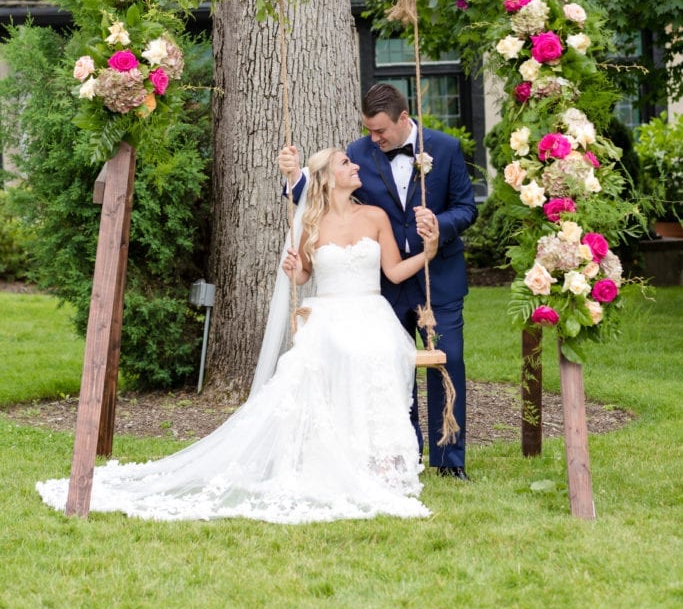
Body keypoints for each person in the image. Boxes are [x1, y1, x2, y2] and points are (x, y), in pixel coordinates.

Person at [37, 148, 437, 524]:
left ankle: (381, 464)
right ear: (327, 178)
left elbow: (395, 272)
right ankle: (336, 460)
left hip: (371, 311)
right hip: (330, 314)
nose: (355, 166)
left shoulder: (375, 217)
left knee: (378, 354)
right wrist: (293, 269)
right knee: (335, 351)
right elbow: (303, 277)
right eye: (345, 162)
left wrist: (429, 251)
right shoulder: (312, 223)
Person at [279, 83, 478, 480]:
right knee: (390, 369)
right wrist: (289, 174)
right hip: (382, 288)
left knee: (448, 361)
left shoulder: (447, 148)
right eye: (369, 130)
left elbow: (466, 208)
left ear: (404, 119)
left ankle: (449, 459)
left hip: (437, 278)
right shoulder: (357, 153)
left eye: (381, 131)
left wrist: (439, 225)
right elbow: (318, 190)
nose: (374, 138)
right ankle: (406, 451)